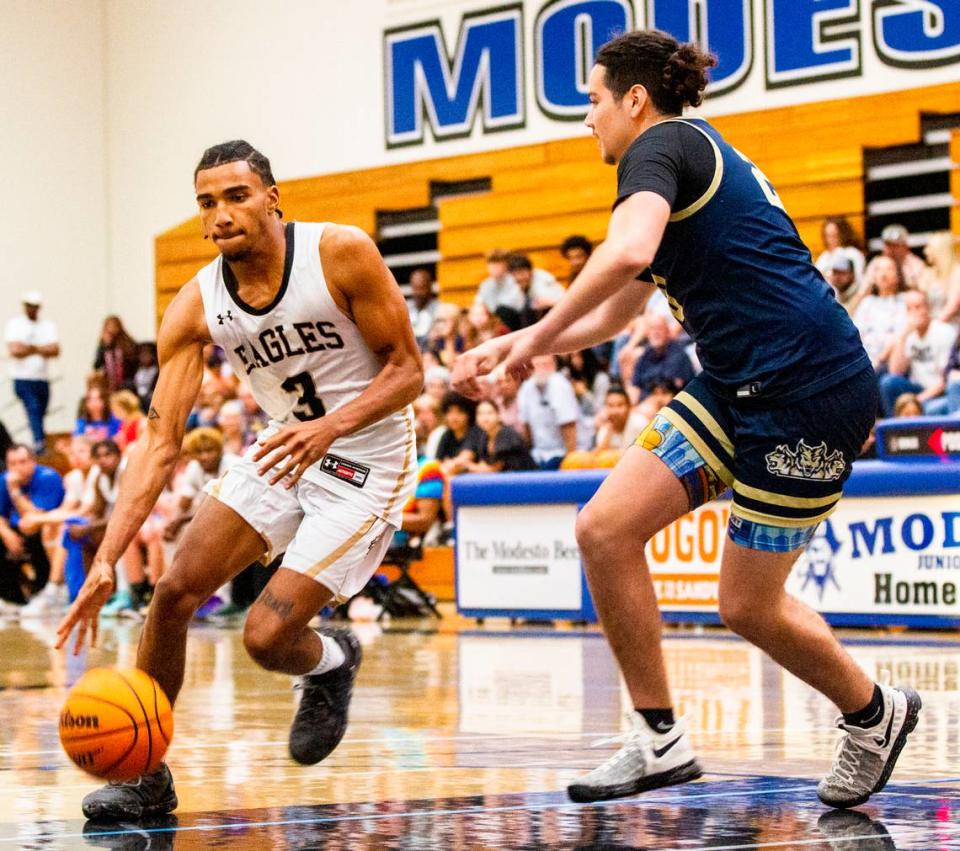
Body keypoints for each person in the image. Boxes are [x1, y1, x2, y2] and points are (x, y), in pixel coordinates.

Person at [453, 29, 918, 809]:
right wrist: (511, 346)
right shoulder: (675, 155)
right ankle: (660, 738)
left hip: (810, 389)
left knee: (746, 605)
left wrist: (531, 337)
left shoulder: (659, 144)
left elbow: (627, 253)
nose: (587, 118)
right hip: (737, 383)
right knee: (604, 527)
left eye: (593, 101)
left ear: (634, 99)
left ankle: (875, 714)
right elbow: (623, 308)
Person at [57, 139, 421, 820]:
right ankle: (146, 777)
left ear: (272, 196)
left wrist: (330, 427)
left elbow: (409, 372)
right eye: (206, 202)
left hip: (367, 456)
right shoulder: (196, 304)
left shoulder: (340, 252)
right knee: (170, 593)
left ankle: (329, 661)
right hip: (284, 448)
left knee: (264, 637)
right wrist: (107, 557)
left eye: (235, 195)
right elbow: (160, 442)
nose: (220, 213)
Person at [0, 445, 64, 611]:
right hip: (17, 530)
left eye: (22, 462)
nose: (17, 468)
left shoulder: (48, 477)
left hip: (45, 528)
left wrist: (15, 491)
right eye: (12, 463)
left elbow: (36, 516)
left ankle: (47, 592)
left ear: (33, 462)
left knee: (33, 529)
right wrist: (7, 534)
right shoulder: (3, 480)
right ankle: (11, 600)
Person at [879, 291, 956, 416]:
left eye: (918, 307)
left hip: (940, 392)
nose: (914, 312)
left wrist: (917, 401)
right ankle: (893, 433)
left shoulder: (943, 332)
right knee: (888, 383)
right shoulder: (908, 334)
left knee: (927, 409)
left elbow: (945, 380)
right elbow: (895, 371)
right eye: (909, 308)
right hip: (917, 388)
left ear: (928, 308)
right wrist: (903, 337)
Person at [4, 291, 59, 453]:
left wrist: (29, 348)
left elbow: (55, 349)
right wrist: (41, 349)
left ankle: (39, 440)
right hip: (22, 378)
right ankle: (39, 443)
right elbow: (15, 350)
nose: (31, 309)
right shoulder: (15, 325)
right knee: (33, 408)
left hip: (41, 378)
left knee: (41, 411)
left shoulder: (47, 326)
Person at [516, 356, 580, 469]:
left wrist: (570, 463)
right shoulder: (526, 388)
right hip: (537, 454)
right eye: (537, 365)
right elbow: (526, 429)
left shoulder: (560, 385)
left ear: (554, 366)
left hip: (561, 454)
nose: (541, 369)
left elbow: (570, 428)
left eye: (545, 364)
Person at [467, 399, 535, 472]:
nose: (485, 418)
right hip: (504, 478)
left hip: (526, 478)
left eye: (489, 413)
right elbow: (483, 464)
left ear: (499, 415)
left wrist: (467, 465)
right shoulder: (483, 437)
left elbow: (493, 469)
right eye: (480, 414)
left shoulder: (507, 434)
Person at [861, 224, 927, 292]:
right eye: (888, 245)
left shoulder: (915, 264)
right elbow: (863, 291)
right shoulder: (876, 263)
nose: (891, 250)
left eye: (895, 246)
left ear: (905, 247)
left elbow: (923, 291)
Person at [814, 216, 865, 285]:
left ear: (843, 234)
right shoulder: (823, 256)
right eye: (828, 236)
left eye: (834, 235)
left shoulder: (853, 253)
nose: (830, 240)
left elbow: (859, 280)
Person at [93, 316, 138, 393]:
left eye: (114, 326)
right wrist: (106, 346)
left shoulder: (127, 343)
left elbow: (133, 362)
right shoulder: (103, 346)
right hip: (109, 382)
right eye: (109, 326)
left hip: (127, 381)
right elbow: (97, 365)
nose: (112, 329)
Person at [406, 267, 439, 350]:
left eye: (421, 288)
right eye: (415, 288)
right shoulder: (405, 308)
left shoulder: (440, 309)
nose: (418, 293)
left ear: (430, 287)